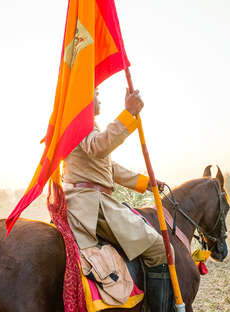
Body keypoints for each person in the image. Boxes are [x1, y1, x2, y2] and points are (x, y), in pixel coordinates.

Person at [63, 88, 173, 312]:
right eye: (95, 94)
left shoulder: (85, 126)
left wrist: (147, 183)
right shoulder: (80, 124)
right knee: (160, 247)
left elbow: (109, 169)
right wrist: (128, 113)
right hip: (92, 204)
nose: (99, 99)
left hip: (93, 199)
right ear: (85, 98)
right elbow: (98, 147)